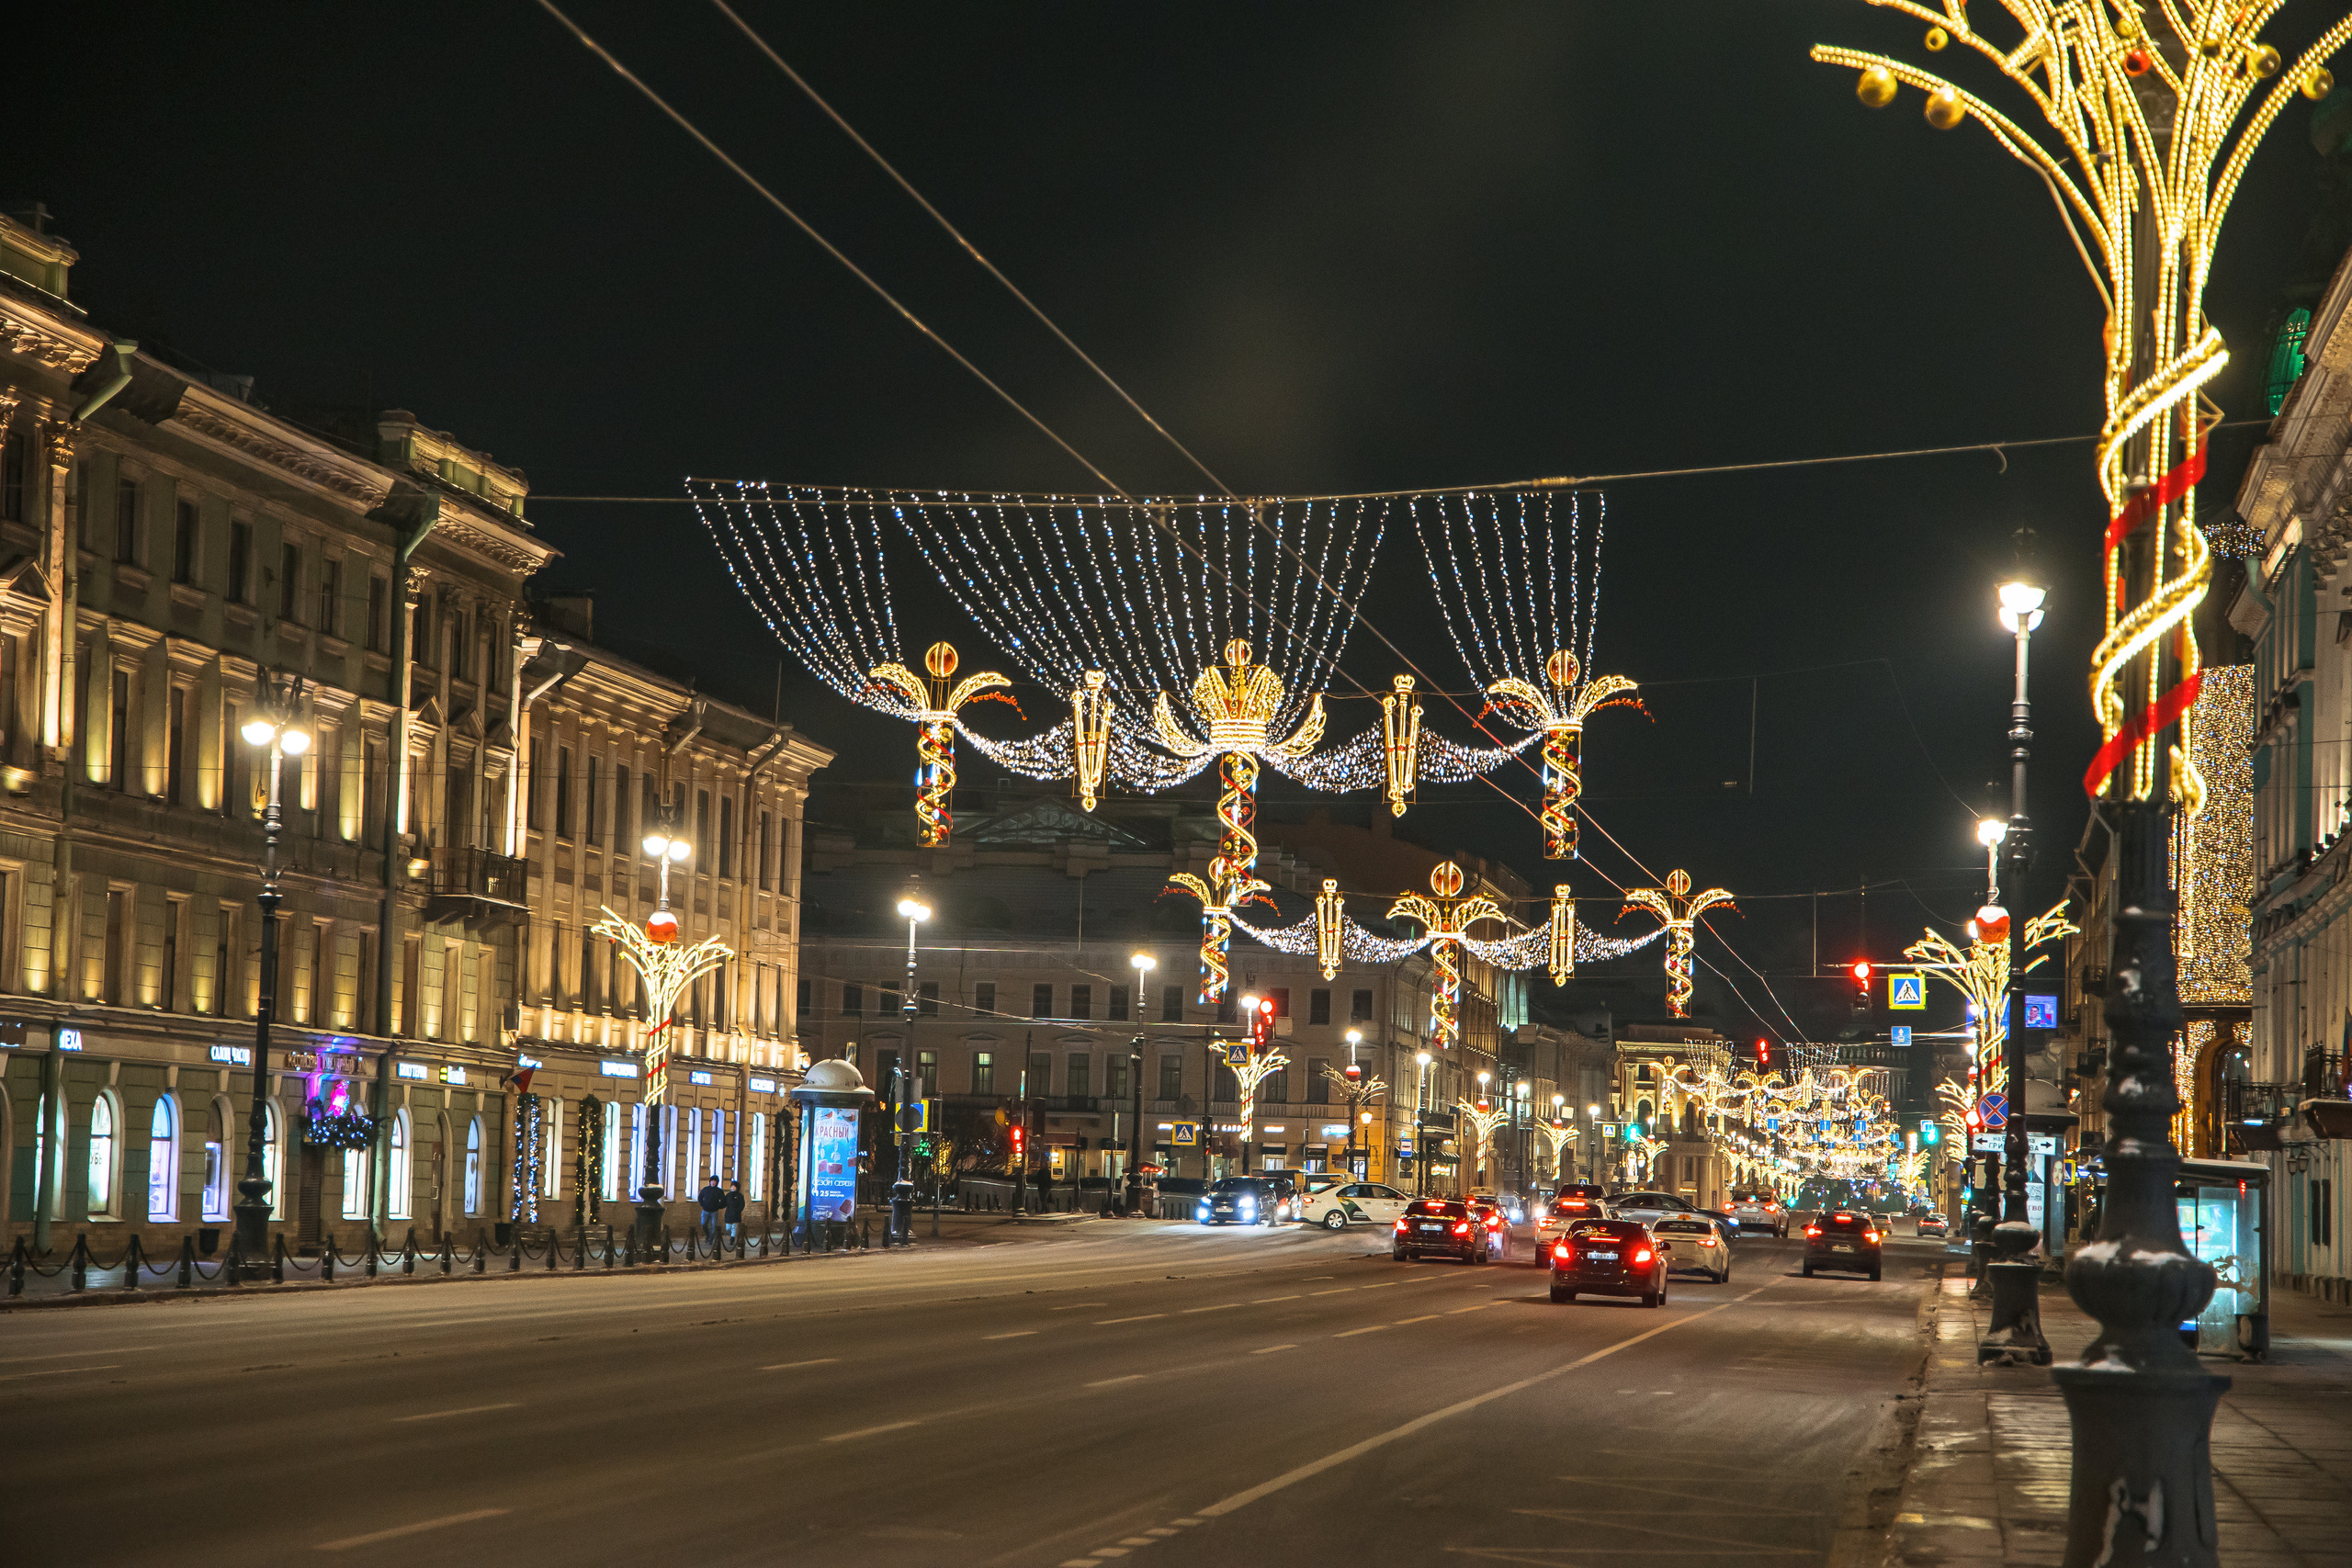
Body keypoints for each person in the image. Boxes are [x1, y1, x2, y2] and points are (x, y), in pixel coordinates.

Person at [697, 1175, 725, 1251]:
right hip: (705, 1210)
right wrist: (702, 1204)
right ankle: (708, 1234)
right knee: (703, 1223)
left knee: (714, 1226)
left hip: (714, 1211)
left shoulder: (719, 1191)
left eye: (715, 1181)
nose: (713, 1183)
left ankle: (710, 1239)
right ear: (710, 1182)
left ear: (717, 1183)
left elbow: (722, 1200)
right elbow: (700, 1197)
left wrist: (718, 1206)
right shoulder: (706, 1189)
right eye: (712, 1181)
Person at [724, 1179, 745, 1246]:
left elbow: (742, 1204)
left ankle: (732, 1239)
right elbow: (724, 1203)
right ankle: (731, 1234)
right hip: (729, 1213)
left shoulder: (740, 1196)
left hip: (736, 1214)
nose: (733, 1188)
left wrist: (738, 1210)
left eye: (734, 1187)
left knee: (734, 1227)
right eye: (732, 1186)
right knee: (728, 1228)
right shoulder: (728, 1195)